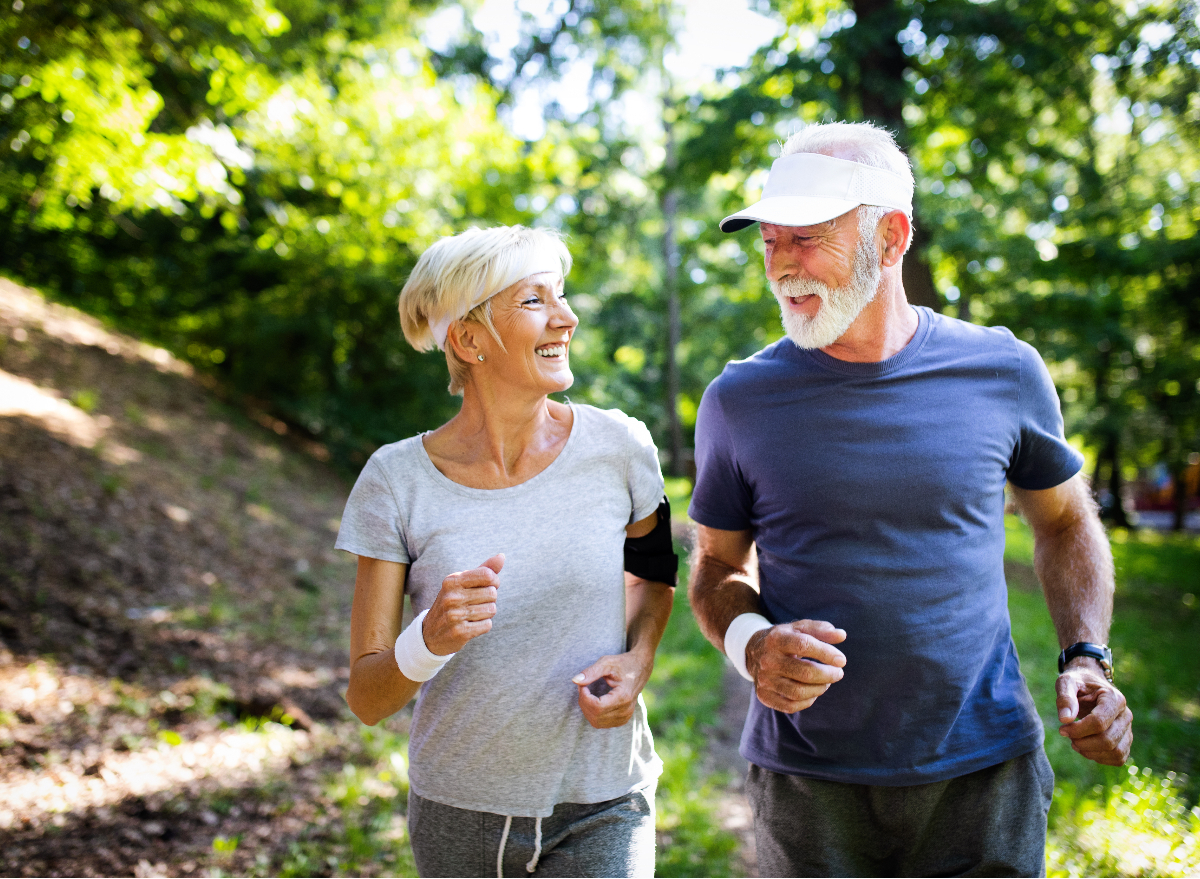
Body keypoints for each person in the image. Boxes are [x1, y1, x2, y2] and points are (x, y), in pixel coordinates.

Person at [687, 121, 1133, 877]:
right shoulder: (738, 398)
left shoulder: (1004, 368)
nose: (780, 264)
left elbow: (1063, 522)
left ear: (890, 238)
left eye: (806, 238)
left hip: (983, 773)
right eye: (770, 240)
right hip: (809, 784)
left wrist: (1086, 653)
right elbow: (714, 568)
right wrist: (751, 644)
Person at [336, 225, 677, 878]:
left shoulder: (623, 447)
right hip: (460, 808)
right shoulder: (395, 479)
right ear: (467, 339)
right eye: (534, 301)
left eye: (563, 296)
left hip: (608, 795)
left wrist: (639, 659)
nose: (568, 317)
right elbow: (367, 696)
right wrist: (429, 637)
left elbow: (653, 574)